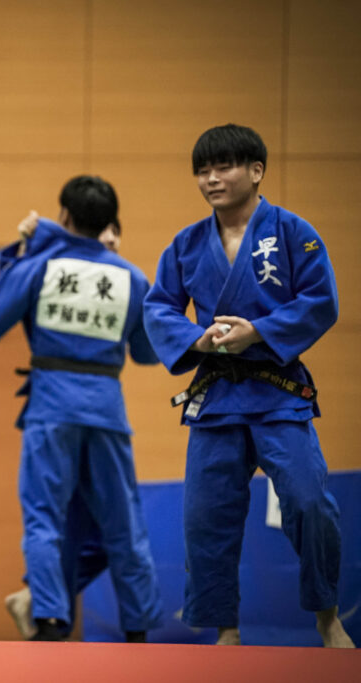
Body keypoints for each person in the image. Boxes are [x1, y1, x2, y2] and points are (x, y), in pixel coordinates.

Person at [142, 123, 354, 648]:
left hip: (278, 391)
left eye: (224, 167)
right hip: (217, 397)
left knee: (309, 502)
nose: (211, 179)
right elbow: (158, 307)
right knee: (206, 518)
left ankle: (328, 616)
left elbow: (320, 300)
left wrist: (257, 332)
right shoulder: (186, 244)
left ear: (256, 171)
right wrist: (199, 339)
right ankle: (226, 630)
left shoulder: (293, 233)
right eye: (203, 170)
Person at [0, 176, 163, 642]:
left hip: (52, 410)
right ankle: (138, 628)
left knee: (44, 519)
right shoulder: (132, 277)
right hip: (107, 411)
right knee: (124, 523)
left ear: (64, 215)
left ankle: (49, 618)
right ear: (108, 223)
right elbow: (148, 353)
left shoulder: (40, 267)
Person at [3, 214, 122, 640]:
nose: (111, 238)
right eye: (103, 229)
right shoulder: (54, 270)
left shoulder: (118, 286)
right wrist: (24, 243)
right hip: (55, 420)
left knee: (104, 538)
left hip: (99, 424)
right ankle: (47, 614)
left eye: (117, 231)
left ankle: (36, 600)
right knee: (58, 526)